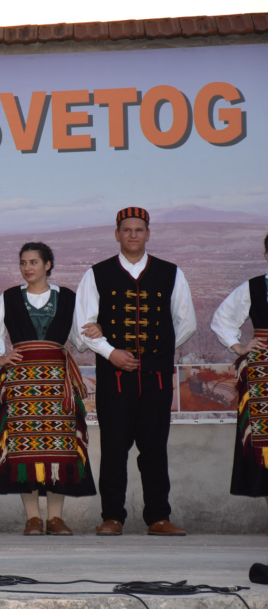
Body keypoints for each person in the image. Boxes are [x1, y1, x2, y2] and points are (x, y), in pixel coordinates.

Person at [74, 207, 195, 536]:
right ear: (117, 234)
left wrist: (158, 353)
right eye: (126, 229)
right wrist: (111, 353)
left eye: (138, 229)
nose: (132, 235)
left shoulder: (171, 273)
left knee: (155, 448)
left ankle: (158, 518)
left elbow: (186, 323)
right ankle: (112, 517)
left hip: (155, 378)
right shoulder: (95, 274)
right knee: (114, 448)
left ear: (148, 233)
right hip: (114, 378)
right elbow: (82, 329)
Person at [0, 242, 97, 535]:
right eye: (23, 263)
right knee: (23, 449)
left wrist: (96, 330)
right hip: (21, 384)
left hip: (58, 383)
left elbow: (80, 339)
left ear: (48, 265)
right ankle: (32, 518)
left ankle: (55, 518)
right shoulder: (9, 298)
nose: (27, 268)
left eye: (33, 262)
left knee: (60, 447)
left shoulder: (67, 298)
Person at [210, 233, 268, 500]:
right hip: (264, 372)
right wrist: (239, 347)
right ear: (267, 255)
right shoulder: (254, 288)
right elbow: (223, 319)